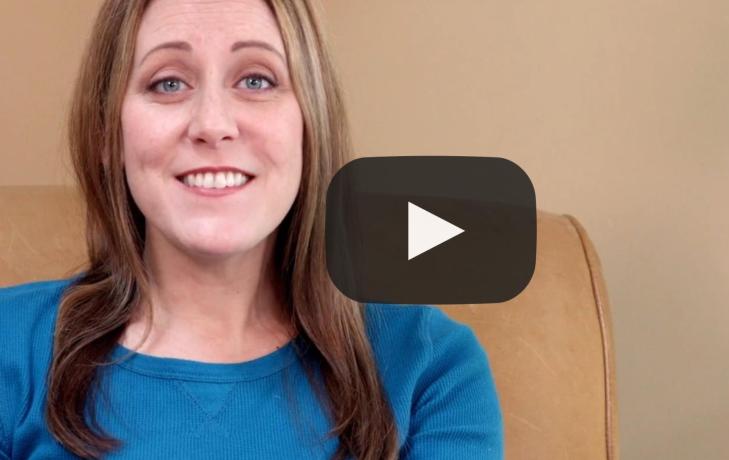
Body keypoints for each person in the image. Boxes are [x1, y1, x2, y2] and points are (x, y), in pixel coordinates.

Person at [0, 0, 503, 459]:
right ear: (107, 134)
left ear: (311, 125)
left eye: (257, 80)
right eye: (168, 82)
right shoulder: (11, 344)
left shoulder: (431, 367)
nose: (213, 123)